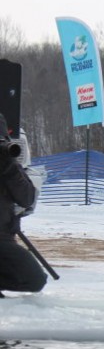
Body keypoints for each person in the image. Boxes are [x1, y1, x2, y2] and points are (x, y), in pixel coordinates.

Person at [0, 113, 47, 297]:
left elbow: (27, 199)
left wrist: (9, 168)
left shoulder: (8, 166)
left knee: (35, 280)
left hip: (3, 239)